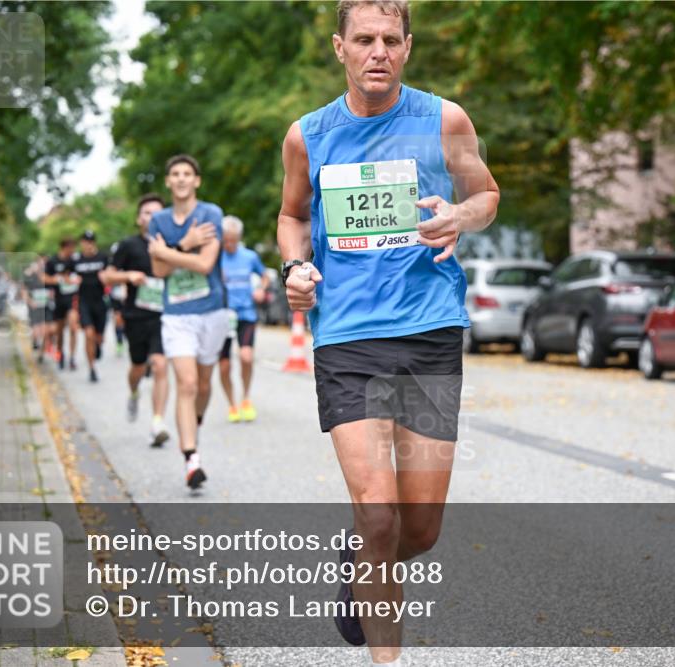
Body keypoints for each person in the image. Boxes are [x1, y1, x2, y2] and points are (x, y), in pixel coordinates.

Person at [277, 2, 499, 663]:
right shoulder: (307, 136)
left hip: (429, 333)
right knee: (378, 511)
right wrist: (294, 267)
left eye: (390, 40)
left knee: (419, 529)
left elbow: (486, 195)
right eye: (364, 39)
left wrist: (460, 214)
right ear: (339, 47)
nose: (378, 51)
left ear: (407, 47)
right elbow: (292, 216)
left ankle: (362, 561)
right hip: (346, 338)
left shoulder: (445, 120)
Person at [149, 155, 230, 489]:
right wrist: (185, 244)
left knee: (204, 384)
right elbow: (158, 271)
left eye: (187, 173)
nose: (181, 178)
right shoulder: (158, 220)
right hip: (177, 314)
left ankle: (193, 423)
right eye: (175, 173)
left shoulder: (211, 214)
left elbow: (205, 265)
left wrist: (168, 252)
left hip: (212, 310)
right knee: (187, 383)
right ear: (168, 181)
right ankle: (191, 458)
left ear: (196, 181)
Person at [101, 193, 172, 447]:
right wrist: (129, 276)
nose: (152, 217)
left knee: (160, 365)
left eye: (157, 213)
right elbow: (106, 276)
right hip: (136, 315)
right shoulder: (128, 245)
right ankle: (133, 392)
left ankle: (157, 422)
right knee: (138, 367)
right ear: (138, 218)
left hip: (165, 315)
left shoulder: (171, 244)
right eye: (147, 213)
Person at [218, 215, 269, 423]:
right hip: (222, 316)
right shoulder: (215, 256)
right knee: (224, 365)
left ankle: (246, 398)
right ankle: (232, 404)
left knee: (246, 357)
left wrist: (260, 289)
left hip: (246, 313)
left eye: (233, 240)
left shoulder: (249, 256)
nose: (229, 244)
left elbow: (264, 276)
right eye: (226, 240)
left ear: (239, 238)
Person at [73, 230, 110, 383]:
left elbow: (111, 275)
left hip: (100, 301)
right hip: (84, 302)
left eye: (90, 242)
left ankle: (98, 346)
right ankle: (92, 368)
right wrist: (71, 280)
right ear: (81, 243)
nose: (87, 245)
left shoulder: (103, 258)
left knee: (98, 337)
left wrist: (106, 278)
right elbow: (66, 276)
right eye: (85, 242)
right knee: (88, 334)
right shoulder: (76, 260)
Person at [42, 239, 80, 370]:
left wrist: (75, 280)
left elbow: (80, 276)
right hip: (58, 300)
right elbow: (44, 278)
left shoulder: (74, 261)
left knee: (73, 326)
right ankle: (60, 354)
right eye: (71, 248)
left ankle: (72, 357)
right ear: (64, 247)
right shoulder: (52, 261)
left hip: (72, 298)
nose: (73, 251)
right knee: (60, 331)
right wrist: (57, 279)